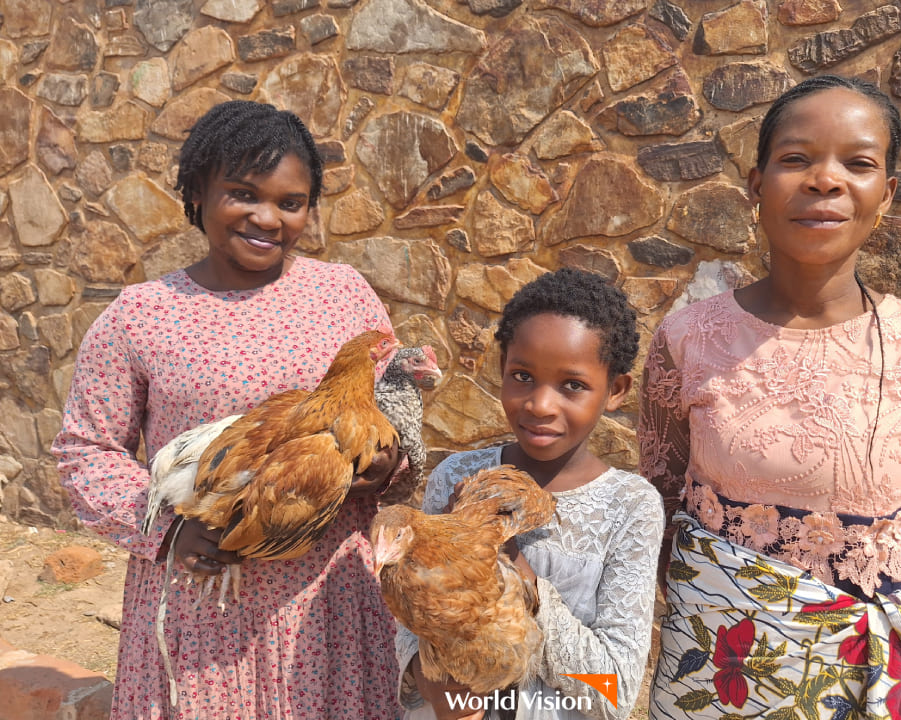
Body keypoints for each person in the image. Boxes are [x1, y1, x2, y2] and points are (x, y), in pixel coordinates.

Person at [639, 75, 901, 720]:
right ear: (754, 184)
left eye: (858, 164)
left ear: (888, 195)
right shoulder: (688, 339)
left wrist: (822, 618)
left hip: (861, 681)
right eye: (795, 159)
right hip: (716, 673)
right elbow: (662, 499)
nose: (825, 180)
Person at [52, 100, 404, 720]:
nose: (267, 217)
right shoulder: (141, 316)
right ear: (197, 192)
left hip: (326, 597)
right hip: (207, 594)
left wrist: (390, 459)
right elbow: (86, 451)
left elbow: (393, 402)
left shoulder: (343, 294)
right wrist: (167, 530)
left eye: (291, 203)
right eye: (243, 193)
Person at [395, 269, 664, 720]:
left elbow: (613, 690)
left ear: (615, 390)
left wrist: (518, 578)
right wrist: (433, 681)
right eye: (522, 376)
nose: (540, 404)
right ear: (501, 370)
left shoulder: (629, 508)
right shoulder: (455, 478)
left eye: (572, 385)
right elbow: (410, 628)